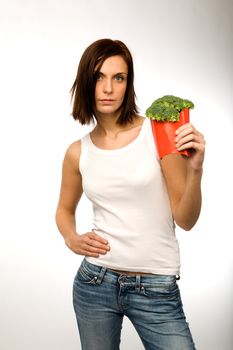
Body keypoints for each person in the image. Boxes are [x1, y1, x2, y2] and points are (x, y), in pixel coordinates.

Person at [55, 38, 205, 350]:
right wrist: (72, 238)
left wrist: (196, 171)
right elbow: (64, 211)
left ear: (128, 83)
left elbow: (186, 220)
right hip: (95, 284)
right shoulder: (76, 152)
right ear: (86, 82)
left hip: (156, 288)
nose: (108, 88)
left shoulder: (157, 133)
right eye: (99, 77)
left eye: (118, 78)